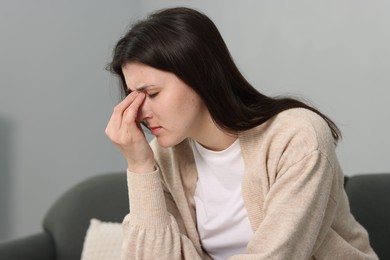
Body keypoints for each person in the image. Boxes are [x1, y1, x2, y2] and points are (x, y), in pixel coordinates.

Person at [105, 7, 378, 260]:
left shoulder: (296, 137)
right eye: (133, 96)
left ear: (199, 76)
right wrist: (140, 167)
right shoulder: (162, 158)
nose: (139, 112)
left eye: (152, 93)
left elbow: (278, 256)